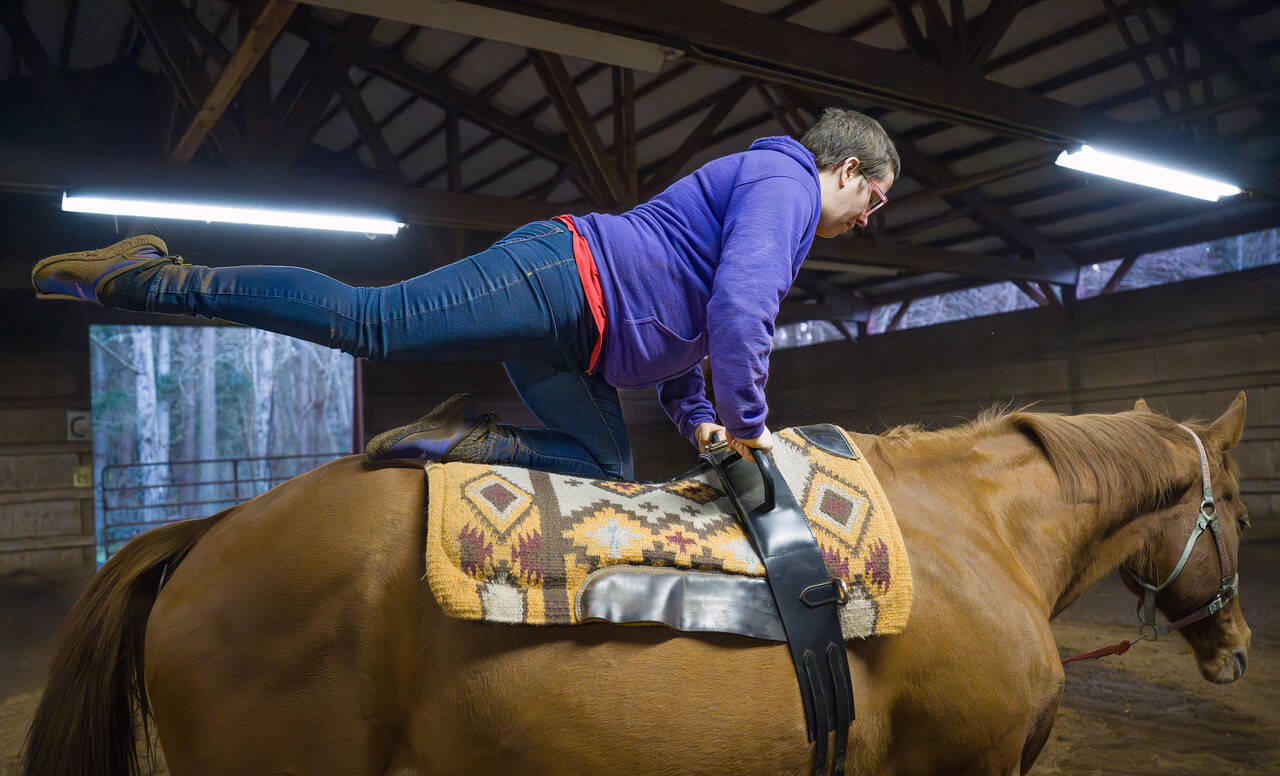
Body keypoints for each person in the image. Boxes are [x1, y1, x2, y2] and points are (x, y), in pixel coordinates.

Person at [32, 108, 898, 480]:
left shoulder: (768, 202)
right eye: (875, 198)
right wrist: (752, 433)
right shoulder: (785, 184)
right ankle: (148, 276)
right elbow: (741, 312)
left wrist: (702, 419)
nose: (870, 217)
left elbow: (690, 347)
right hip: (563, 277)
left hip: (580, 342)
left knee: (608, 464)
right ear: (848, 169)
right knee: (372, 321)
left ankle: (457, 435)